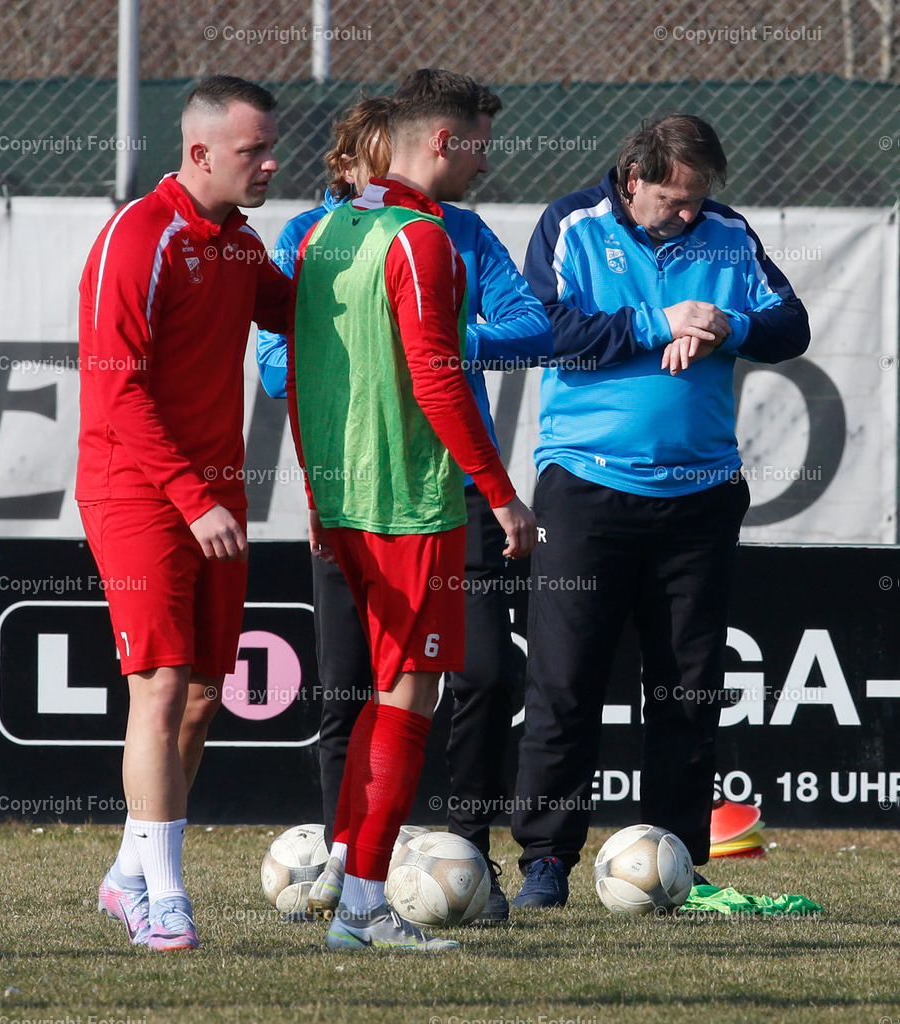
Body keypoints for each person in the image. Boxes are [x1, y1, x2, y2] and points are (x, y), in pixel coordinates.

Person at [257, 95, 551, 924]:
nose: (486, 163)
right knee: (402, 697)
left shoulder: (324, 237)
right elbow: (433, 377)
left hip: (348, 499)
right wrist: (499, 492)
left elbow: (309, 378)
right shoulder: (416, 240)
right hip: (415, 502)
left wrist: (317, 491)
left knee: (393, 691)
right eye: (478, 147)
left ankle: (356, 882)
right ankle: (361, 906)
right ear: (432, 146)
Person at [511, 113, 810, 908]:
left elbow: (791, 326)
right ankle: (545, 859)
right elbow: (544, 330)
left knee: (685, 688)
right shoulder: (569, 226)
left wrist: (724, 323)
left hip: (702, 495)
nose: (687, 213)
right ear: (632, 178)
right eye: (673, 198)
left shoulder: (726, 232)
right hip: (586, 487)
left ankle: (677, 857)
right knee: (564, 683)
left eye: (698, 198)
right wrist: (659, 322)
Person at [76, 75, 290, 950]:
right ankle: (163, 895)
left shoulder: (238, 242)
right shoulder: (139, 234)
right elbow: (115, 389)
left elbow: (302, 311)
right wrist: (192, 496)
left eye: (271, 147)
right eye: (253, 150)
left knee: (203, 697)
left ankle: (128, 873)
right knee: (160, 687)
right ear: (199, 152)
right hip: (139, 493)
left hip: (212, 494)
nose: (271, 163)